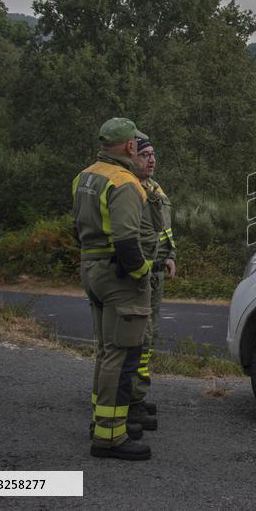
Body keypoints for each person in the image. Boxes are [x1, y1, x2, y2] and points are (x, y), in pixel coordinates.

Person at [72, 117, 154, 460]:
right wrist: (143, 272)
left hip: (91, 267)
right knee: (121, 355)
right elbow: (126, 240)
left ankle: (103, 422)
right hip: (118, 277)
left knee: (107, 351)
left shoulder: (84, 176)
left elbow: (76, 228)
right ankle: (109, 438)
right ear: (130, 146)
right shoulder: (125, 183)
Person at [129, 138, 176, 427]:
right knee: (137, 337)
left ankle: (138, 394)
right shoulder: (129, 189)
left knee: (149, 338)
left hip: (157, 273)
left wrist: (171, 255)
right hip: (140, 273)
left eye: (153, 155)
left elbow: (166, 230)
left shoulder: (156, 188)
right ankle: (130, 399)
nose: (151, 160)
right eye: (145, 155)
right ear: (133, 158)